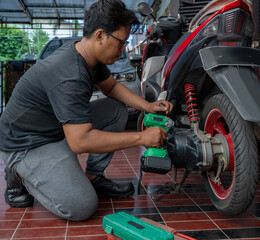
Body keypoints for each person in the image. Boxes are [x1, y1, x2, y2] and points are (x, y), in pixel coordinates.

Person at [0, 0, 172, 221]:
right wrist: (141, 138)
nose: (122, 51)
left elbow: (110, 87)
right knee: (82, 206)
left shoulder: (87, 54)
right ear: (100, 35)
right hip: (26, 143)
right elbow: (80, 142)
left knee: (116, 110)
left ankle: (93, 176)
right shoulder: (70, 72)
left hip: (55, 129)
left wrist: (147, 105)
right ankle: (19, 173)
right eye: (121, 43)